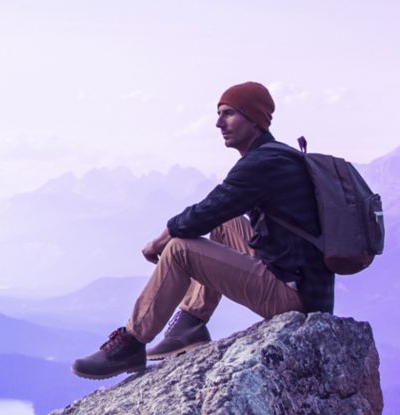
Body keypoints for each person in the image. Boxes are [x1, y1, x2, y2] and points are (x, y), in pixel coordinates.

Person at [72, 81, 336, 380]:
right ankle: (191, 324)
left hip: (294, 297)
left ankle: (132, 342)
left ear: (255, 119)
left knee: (180, 248)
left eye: (229, 114)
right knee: (225, 225)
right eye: (219, 114)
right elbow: (217, 213)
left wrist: (160, 240)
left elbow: (205, 213)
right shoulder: (277, 156)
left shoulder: (262, 164)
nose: (218, 123)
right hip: (297, 279)